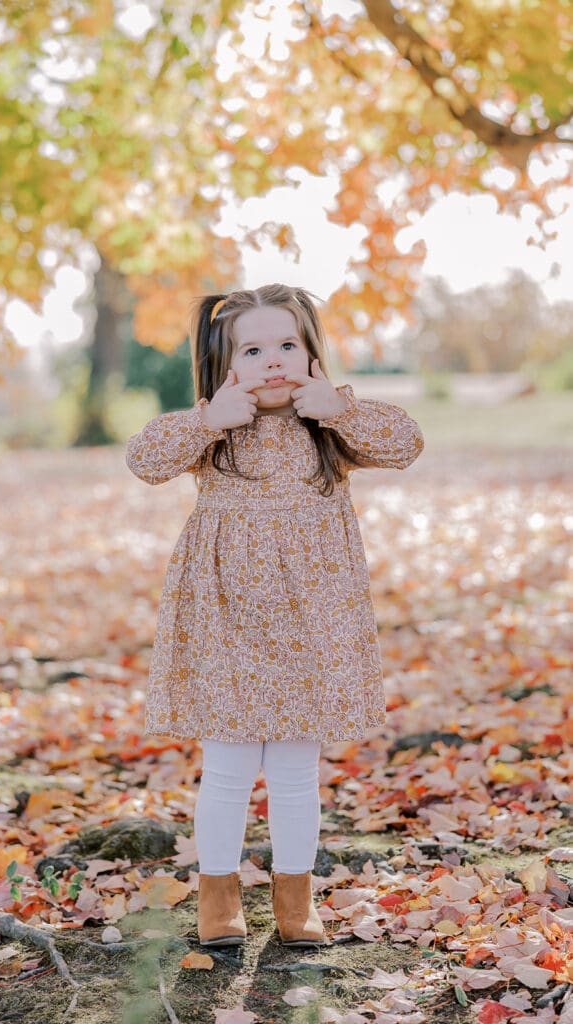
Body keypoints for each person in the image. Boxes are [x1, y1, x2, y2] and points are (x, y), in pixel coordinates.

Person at [125, 283, 424, 948]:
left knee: (294, 766)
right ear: (223, 364)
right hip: (226, 617)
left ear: (311, 353)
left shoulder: (327, 430)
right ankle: (217, 895)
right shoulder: (215, 429)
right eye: (253, 349)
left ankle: (296, 896)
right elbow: (143, 459)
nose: (272, 361)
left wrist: (339, 408)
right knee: (228, 763)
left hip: (311, 621)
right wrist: (208, 418)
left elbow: (405, 443)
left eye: (287, 344)